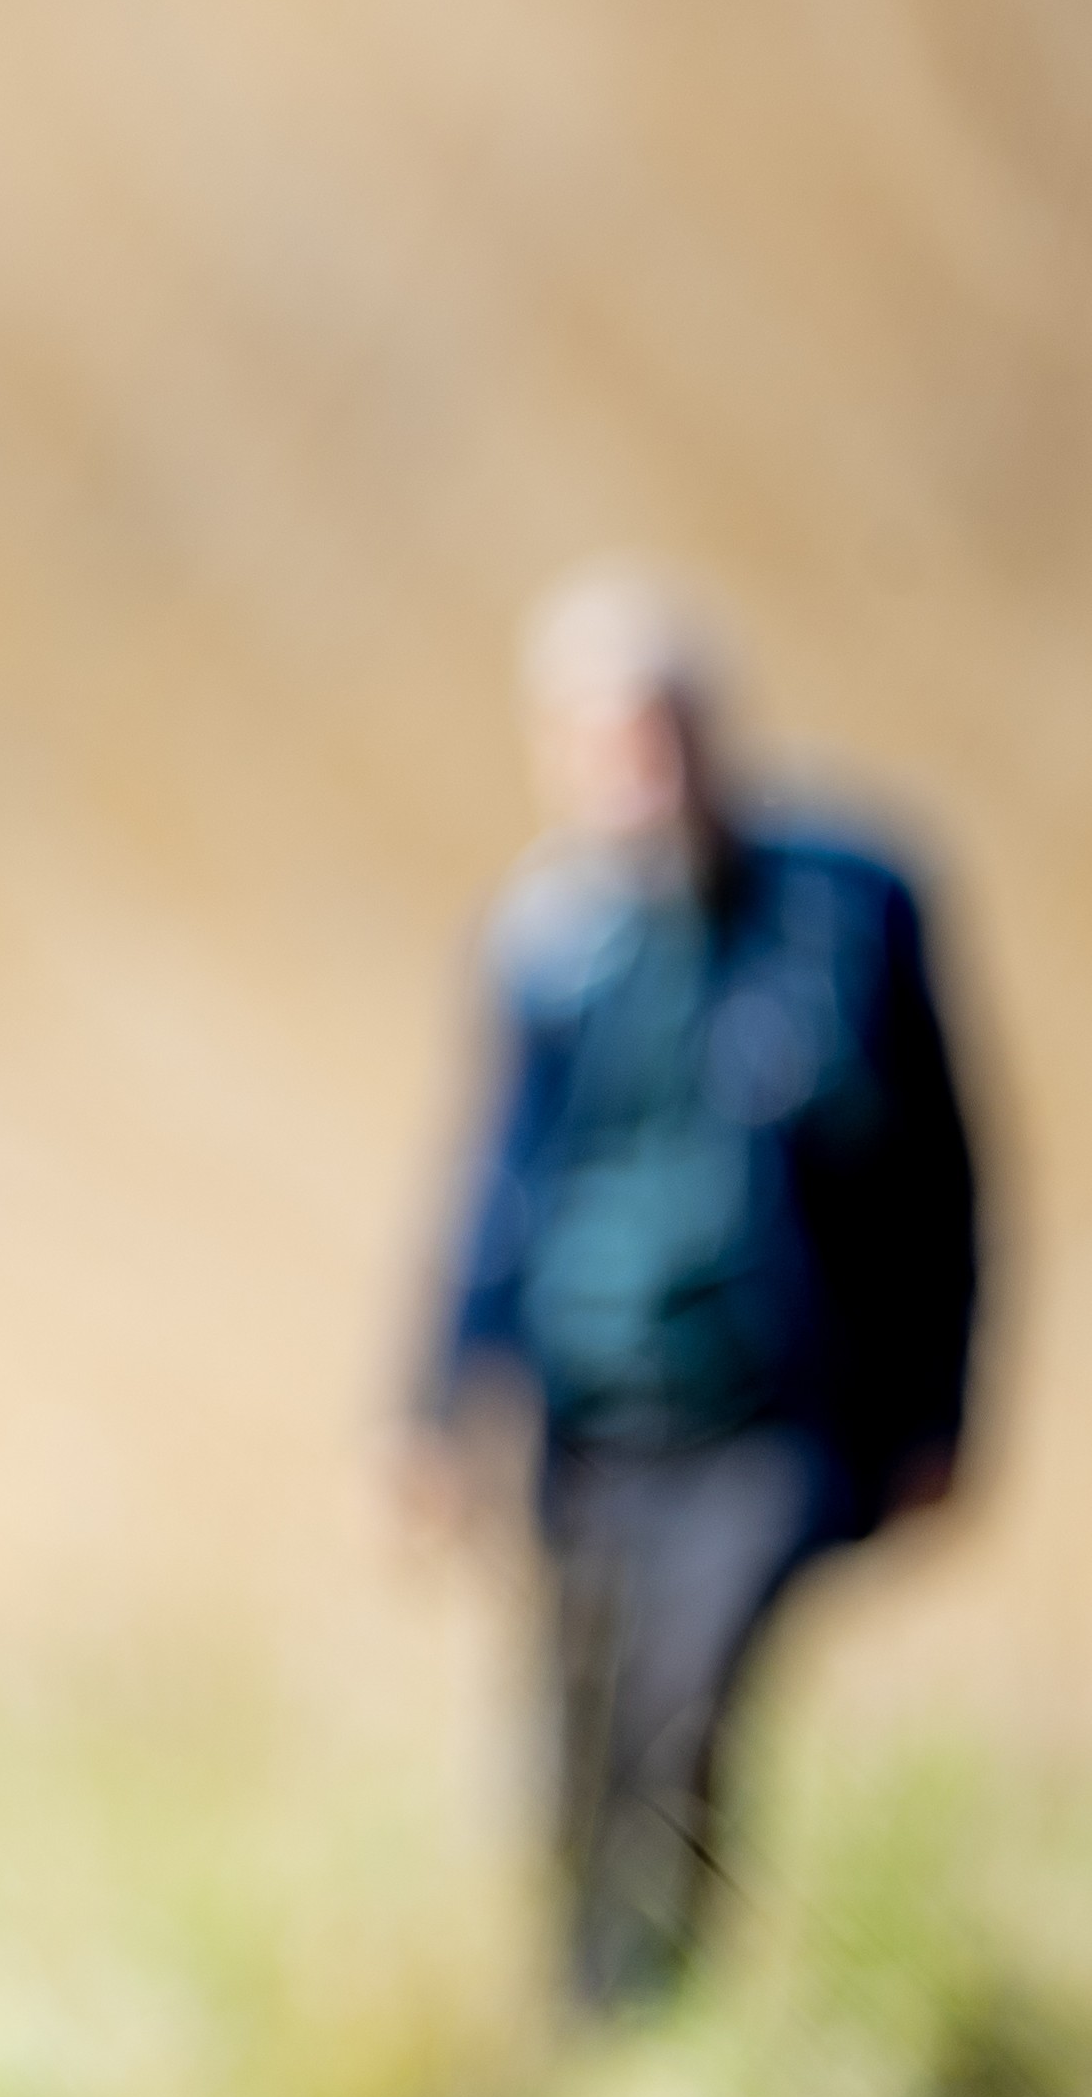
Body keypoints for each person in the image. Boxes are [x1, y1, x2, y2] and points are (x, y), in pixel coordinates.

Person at [420, 562, 983, 2017]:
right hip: (600, 1405)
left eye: (661, 729)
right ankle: (590, 2019)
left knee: (690, 1700)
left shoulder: (843, 917)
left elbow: (946, 1178)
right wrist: (432, 1402)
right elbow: (499, 1185)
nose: (640, 768)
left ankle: (669, 2002)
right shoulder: (553, 942)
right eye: (605, 739)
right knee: (577, 1728)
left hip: (770, 1398)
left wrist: (940, 1408)